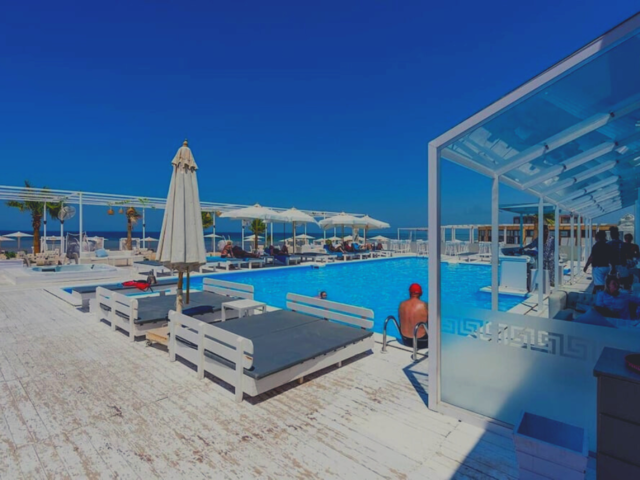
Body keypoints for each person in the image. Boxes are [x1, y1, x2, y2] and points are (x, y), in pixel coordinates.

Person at [398, 283, 428, 349]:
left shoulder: (401, 304)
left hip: (405, 340)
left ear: (410, 292)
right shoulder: (425, 305)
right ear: (421, 293)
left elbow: (400, 321)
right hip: (421, 342)